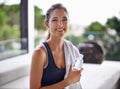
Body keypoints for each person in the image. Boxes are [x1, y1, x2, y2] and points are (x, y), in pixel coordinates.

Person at [30, 3, 83, 89]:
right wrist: (68, 81)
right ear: (47, 24)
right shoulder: (40, 53)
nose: (60, 24)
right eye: (55, 20)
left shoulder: (72, 49)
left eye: (64, 19)